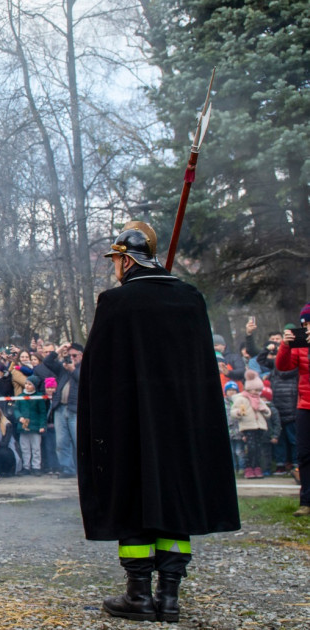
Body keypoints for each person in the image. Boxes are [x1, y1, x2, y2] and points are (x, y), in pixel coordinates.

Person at [78, 221, 240, 623]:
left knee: (134, 500)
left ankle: (139, 596)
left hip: (131, 424)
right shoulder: (189, 298)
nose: (114, 267)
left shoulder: (116, 303)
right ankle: (168, 597)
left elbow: (98, 371)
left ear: (126, 260)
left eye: (116, 259)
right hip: (181, 425)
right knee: (175, 500)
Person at [274, 303, 310, 516]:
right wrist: (285, 346)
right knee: (304, 454)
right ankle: (306, 501)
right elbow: (283, 367)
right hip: (304, 405)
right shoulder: (299, 345)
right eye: (304, 323)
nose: (306, 327)